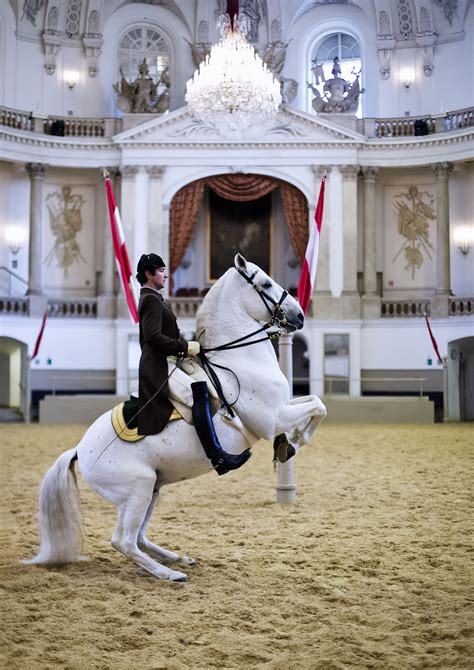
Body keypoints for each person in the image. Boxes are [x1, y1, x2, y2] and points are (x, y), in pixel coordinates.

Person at [136, 253, 251, 475]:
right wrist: (184, 347)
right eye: (160, 270)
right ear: (148, 274)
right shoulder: (150, 300)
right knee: (197, 393)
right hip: (160, 366)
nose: (165, 274)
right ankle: (217, 457)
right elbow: (152, 338)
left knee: (207, 383)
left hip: (171, 361)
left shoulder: (154, 298)